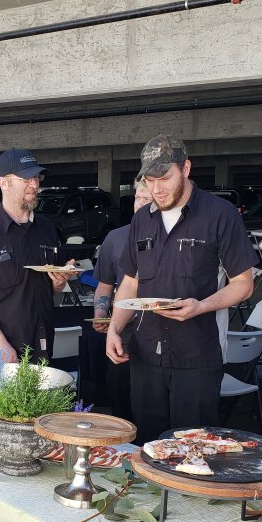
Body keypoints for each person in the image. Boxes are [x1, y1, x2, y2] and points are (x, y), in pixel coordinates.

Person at [106, 135, 258, 443]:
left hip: (198, 358)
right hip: (146, 355)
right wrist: (114, 328)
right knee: (148, 446)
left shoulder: (220, 215)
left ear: (186, 169)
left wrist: (201, 306)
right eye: (149, 181)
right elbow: (130, 282)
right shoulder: (142, 221)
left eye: (164, 178)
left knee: (193, 449)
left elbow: (243, 285)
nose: (156, 190)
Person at [0, 148, 75, 362]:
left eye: (37, 178)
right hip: (3, 352)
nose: (35, 185)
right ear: (4, 183)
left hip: (44, 344)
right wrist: (0, 344)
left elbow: (52, 288)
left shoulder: (47, 229)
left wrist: (59, 283)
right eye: (26, 179)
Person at [92, 178, 153, 420]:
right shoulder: (115, 238)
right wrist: (100, 314)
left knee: (151, 407)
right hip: (123, 334)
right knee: (120, 402)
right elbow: (105, 285)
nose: (140, 204)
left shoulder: (172, 239)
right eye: (138, 197)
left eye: (147, 199)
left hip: (160, 332)